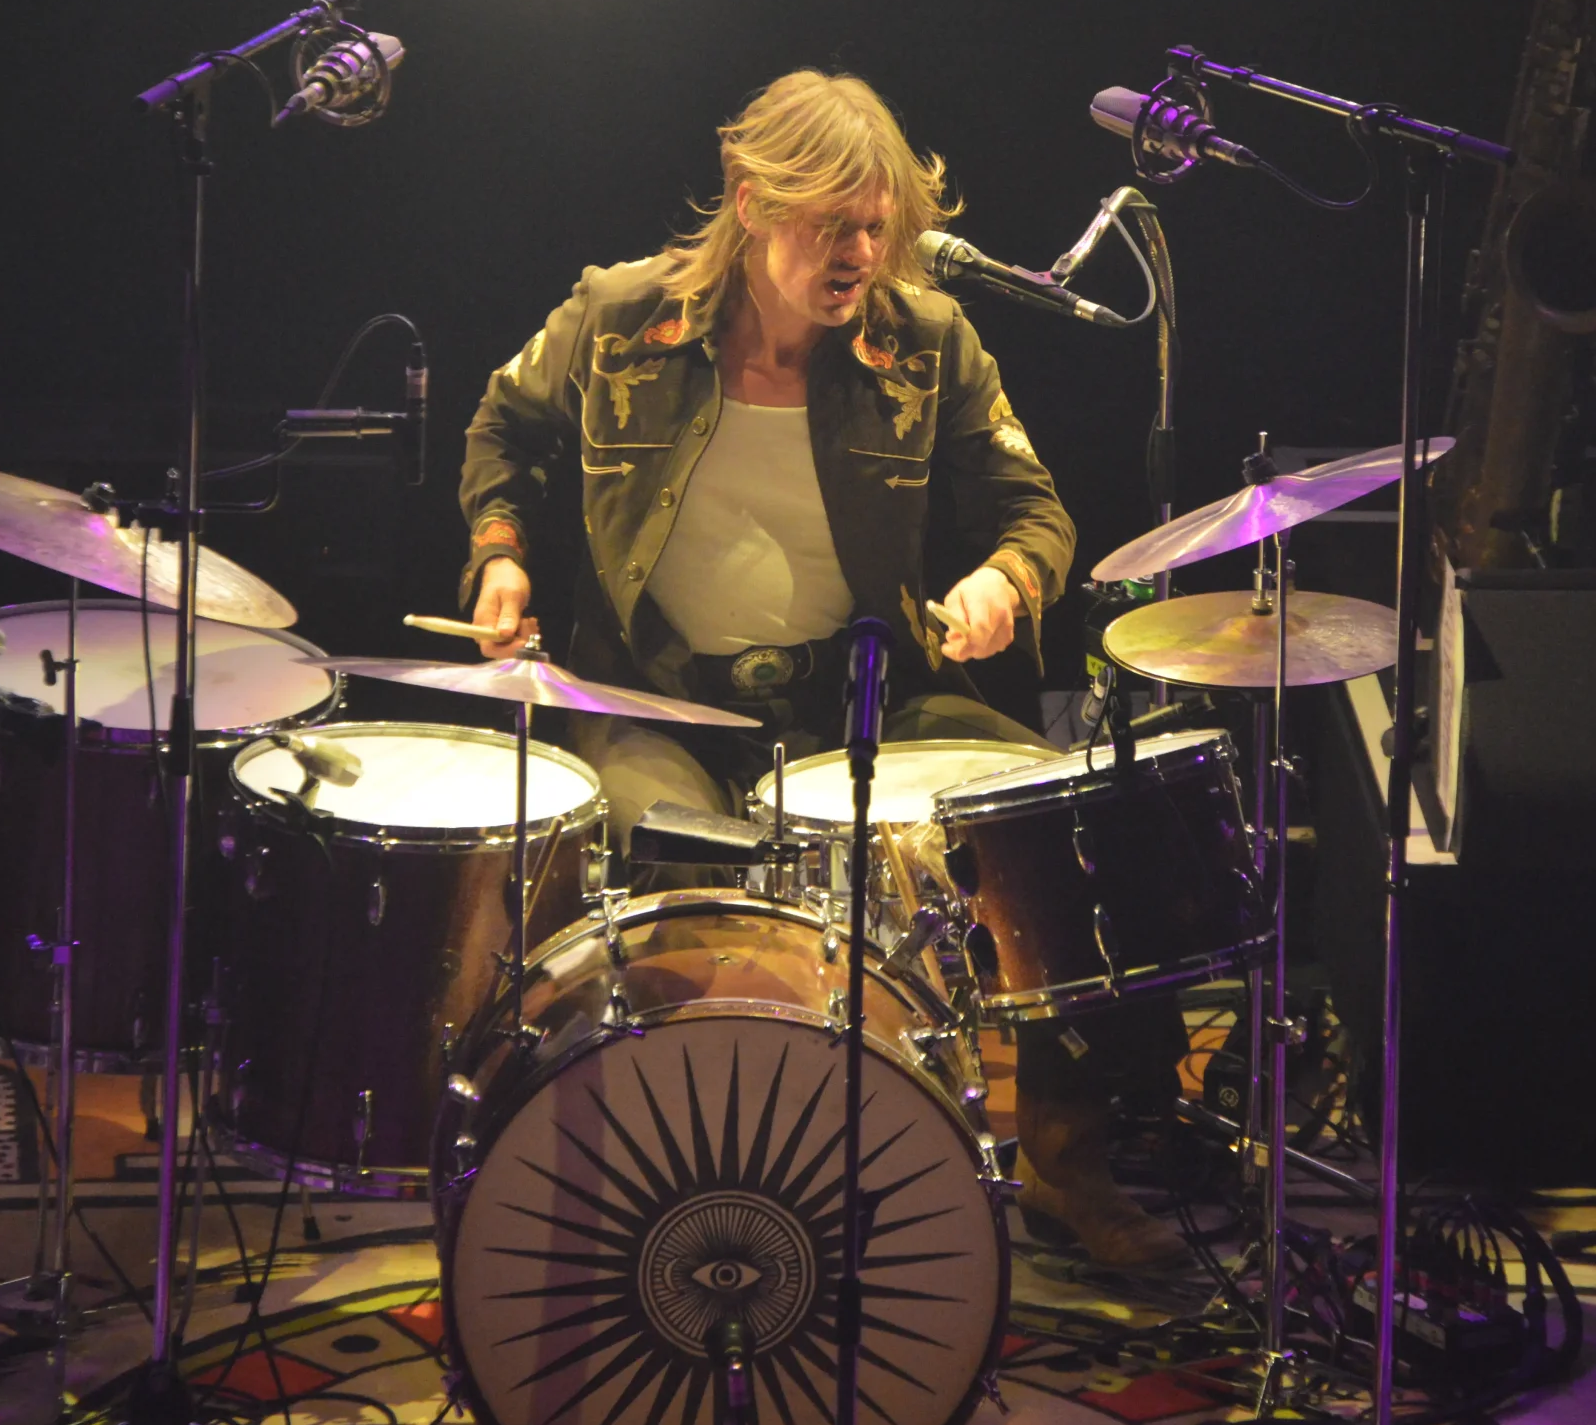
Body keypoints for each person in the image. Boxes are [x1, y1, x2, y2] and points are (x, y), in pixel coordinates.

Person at [455, 68, 1187, 1269]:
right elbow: (502, 427)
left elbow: (1033, 509)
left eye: (878, 227)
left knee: (1057, 822)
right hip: (655, 698)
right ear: (751, 203)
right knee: (676, 858)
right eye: (832, 226)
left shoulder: (927, 339)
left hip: (865, 688)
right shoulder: (620, 314)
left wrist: (1005, 581)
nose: (860, 255)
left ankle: (1065, 1165)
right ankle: (687, 1172)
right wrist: (501, 553)